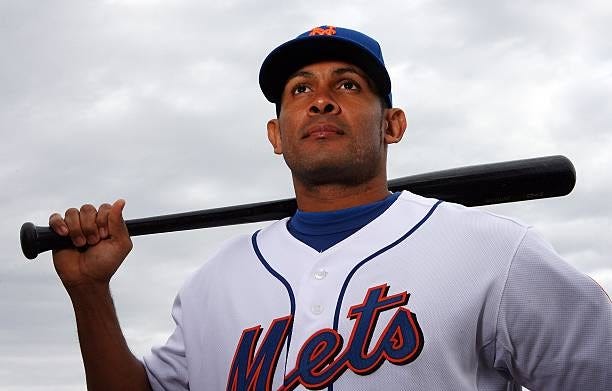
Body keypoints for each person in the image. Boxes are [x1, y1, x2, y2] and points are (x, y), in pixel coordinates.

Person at [49, 25, 611, 391]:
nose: (320, 98)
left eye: (348, 84)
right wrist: (89, 293)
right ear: (276, 134)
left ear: (392, 124)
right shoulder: (209, 287)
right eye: (299, 89)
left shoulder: (495, 252)